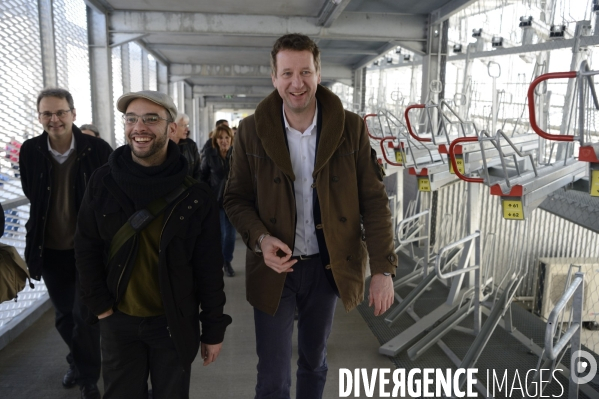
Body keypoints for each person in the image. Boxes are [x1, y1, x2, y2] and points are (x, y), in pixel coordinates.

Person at [223, 33, 397, 399]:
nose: (296, 83)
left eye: (305, 72)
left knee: (314, 362)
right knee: (272, 376)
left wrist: (382, 270)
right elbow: (235, 198)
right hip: (274, 270)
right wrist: (260, 239)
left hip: (325, 267)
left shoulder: (350, 128)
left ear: (319, 74)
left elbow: (374, 201)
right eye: (287, 73)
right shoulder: (252, 131)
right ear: (273, 78)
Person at [74, 90, 232, 399]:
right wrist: (101, 307)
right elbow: (85, 246)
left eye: (151, 119)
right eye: (131, 119)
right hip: (118, 320)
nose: (139, 127)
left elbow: (209, 269)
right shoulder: (102, 181)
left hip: (173, 323)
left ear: (171, 129)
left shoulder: (195, 195)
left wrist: (213, 328)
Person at [19, 87, 113, 399]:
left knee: (84, 317)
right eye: (47, 113)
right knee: (63, 316)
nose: (54, 119)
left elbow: (110, 196)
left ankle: (87, 378)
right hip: (51, 250)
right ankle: (78, 359)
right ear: (39, 117)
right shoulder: (31, 150)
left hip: (88, 251)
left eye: (60, 112)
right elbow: (34, 196)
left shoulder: (97, 149)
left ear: (73, 114)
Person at [200, 124, 235, 277]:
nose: (224, 141)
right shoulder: (209, 154)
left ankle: (227, 261)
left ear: (231, 139)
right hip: (215, 200)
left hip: (233, 200)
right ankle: (218, 262)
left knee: (231, 235)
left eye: (227, 138)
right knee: (219, 233)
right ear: (215, 140)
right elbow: (202, 177)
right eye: (220, 138)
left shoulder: (237, 154)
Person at [169, 112, 201, 180]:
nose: (187, 129)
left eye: (187, 126)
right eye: (184, 126)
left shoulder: (191, 145)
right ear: (173, 126)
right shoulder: (163, 145)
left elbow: (197, 171)